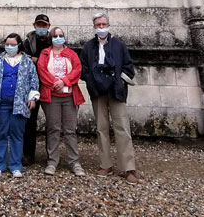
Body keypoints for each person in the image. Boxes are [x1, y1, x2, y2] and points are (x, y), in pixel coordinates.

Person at [79, 12, 142, 185]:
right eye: (98, 25)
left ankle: (128, 168)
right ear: (94, 27)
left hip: (116, 90)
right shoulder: (88, 47)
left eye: (103, 24)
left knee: (122, 128)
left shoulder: (119, 45)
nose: (101, 27)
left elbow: (128, 67)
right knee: (101, 128)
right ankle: (105, 164)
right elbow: (83, 68)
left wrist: (118, 81)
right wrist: (92, 80)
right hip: (97, 92)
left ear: (108, 25)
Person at [0, 33, 39, 178]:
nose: (9, 47)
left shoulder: (27, 62)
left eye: (13, 45)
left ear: (19, 45)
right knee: (1, 133)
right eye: (7, 44)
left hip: (19, 103)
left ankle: (15, 165)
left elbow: (33, 80)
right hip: (0, 102)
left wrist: (32, 98)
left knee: (17, 134)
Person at [37, 27, 85, 176]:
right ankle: (52, 161)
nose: (58, 38)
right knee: (53, 129)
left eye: (61, 35)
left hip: (69, 96)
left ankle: (74, 162)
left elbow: (77, 70)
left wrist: (64, 81)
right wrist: (55, 83)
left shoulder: (71, 54)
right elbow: (42, 71)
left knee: (70, 130)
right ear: (50, 38)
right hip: (51, 96)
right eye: (55, 36)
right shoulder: (45, 53)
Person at [21, 13, 51, 165]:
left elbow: (55, 61)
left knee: (52, 122)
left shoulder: (54, 40)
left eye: (44, 25)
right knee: (29, 121)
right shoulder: (27, 41)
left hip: (50, 85)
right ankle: (28, 154)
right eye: (39, 25)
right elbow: (25, 59)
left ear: (48, 26)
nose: (41, 27)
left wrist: (38, 60)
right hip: (31, 85)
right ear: (34, 25)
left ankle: (51, 157)